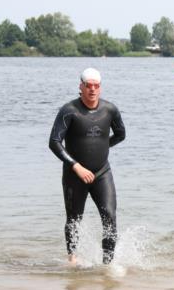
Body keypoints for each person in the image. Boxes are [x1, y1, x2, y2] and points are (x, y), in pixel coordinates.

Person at [49, 67, 126, 266]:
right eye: (88, 86)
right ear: (81, 87)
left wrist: (101, 146)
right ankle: (72, 258)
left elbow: (120, 134)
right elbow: (54, 142)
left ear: (100, 88)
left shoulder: (110, 110)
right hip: (75, 175)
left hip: (102, 172)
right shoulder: (69, 111)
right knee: (74, 219)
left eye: (96, 86)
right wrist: (76, 166)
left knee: (109, 216)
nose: (92, 89)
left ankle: (108, 263)